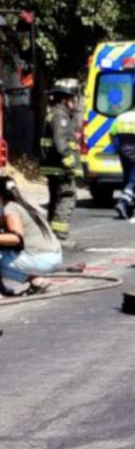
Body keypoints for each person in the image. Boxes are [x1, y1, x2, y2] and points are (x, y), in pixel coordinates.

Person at [0, 177, 63, 297]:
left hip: (42, 259)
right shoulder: (24, 205)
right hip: (53, 256)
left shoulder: (10, 208)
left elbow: (16, 238)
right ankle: (35, 281)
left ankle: (35, 281)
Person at [39, 78, 82, 250]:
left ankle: (50, 237)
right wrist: (72, 165)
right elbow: (60, 143)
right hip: (61, 168)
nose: (75, 102)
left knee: (56, 200)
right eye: (73, 98)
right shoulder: (61, 117)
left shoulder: (54, 113)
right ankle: (59, 237)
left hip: (54, 167)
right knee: (66, 198)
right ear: (66, 99)